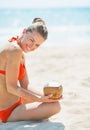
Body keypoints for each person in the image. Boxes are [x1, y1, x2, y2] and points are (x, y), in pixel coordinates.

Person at [0, 18, 62, 123]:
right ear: (24, 32)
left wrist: (46, 97)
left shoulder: (19, 50)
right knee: (55, 107)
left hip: (17, 102)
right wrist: (39, 99)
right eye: (31, 40)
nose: (32, 46)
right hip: (6, 111)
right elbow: (11, 88)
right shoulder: (15, 50)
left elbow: (26, 85)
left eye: (37, 45)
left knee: (52, 103)